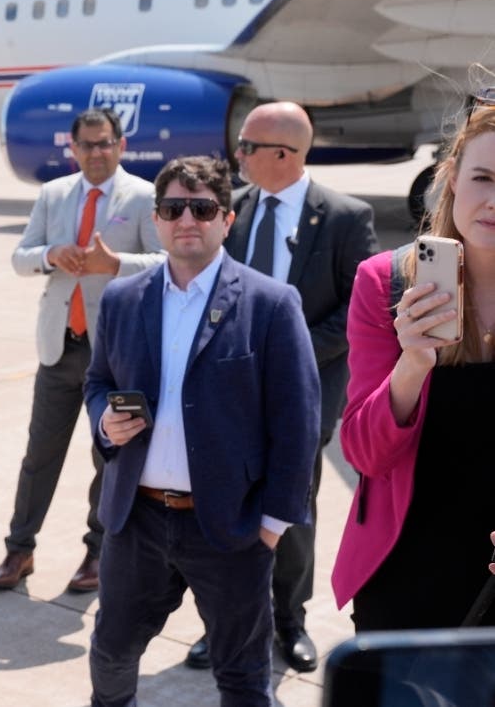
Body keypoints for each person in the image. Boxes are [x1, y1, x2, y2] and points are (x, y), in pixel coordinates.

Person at [85, 155, 320, 707]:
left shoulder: (271, 304)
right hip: (136, 520)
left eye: (202, 207)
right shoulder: (122, 298)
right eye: (172, 208)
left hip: (230, 526)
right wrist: (104, 419)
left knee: (241, 676)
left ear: (226, 219)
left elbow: (298, 423)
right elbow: (97, 381)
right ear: (158, 218)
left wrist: (272, 525)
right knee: (112, 654)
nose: (186, 218)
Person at [185, 101, 379, 672]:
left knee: (291, 511)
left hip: (303, 391)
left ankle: (289, 621)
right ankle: (222, 623)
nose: (236, 155)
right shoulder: (231, 211)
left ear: (284, 155)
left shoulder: (343, 216)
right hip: (229, 390)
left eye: (246, 147)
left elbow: (360, 309)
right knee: (221, 509)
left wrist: (286, 350)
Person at [331, 98, 495, 631]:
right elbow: (363, 452)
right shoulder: (386, 282)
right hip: (407, 567)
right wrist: (413, 364)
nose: (493, 201)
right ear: (451, 179)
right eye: (483, 177)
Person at [0, 108, 162, 593]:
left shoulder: (144, 196)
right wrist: (49, 256)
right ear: (73, 148)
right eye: (86, 145)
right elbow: (21, 257)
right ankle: (19, 548)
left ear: (121, 146)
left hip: (115, 356)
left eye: (104, 143)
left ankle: (97, 552)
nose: (96, 153)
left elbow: (165, 264)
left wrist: (116, 262)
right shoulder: (54, 194)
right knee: (39, 455)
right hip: (60, 347)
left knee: (109, 456)